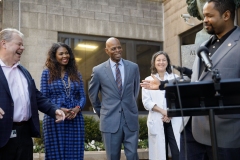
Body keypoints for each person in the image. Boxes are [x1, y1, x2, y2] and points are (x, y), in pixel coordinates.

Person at [141, 0, 240, 159]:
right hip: (192, 130)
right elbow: (197, 82)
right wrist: (163, 85)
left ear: (226, 15)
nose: (204, 20)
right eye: (204, 15)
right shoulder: (205, 46)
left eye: (209, 16)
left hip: (224, 133)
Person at [0, 28, 65, 160]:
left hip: (24, 134)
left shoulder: (23, 71)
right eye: (19, 44)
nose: (22, 48)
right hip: (2, 135)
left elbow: (36, 96)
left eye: (22, 45)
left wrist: (54, 110)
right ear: (3, 43)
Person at [88, 37, 140, 160]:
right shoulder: (98, 70)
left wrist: (131, 107)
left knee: (133, 156)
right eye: (113, 48)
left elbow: (135, 90)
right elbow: (93, 96)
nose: (117, 50)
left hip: (130, 119)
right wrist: (104, 113)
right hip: (109, 121)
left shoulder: (133, 67)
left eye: (119, 47)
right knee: (112, 157)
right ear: (107, 51)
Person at [40, 42, 86, 160]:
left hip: (74, 118)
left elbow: (82, 97)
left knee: (74, 154)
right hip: (55, 118)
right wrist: (58, 109)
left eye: (66, 53)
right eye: (61, 54)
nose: (64, 56)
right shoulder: (47, 74)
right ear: (54, 56)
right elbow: (44, 98)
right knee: (55, 154)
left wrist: (77, 108)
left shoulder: (76, 74)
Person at [142, 51, 182, 160]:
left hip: (174, 120)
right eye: (158, 60)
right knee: (159, 155)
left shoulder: (176, 78)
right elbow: (146, 102)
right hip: (157, 120)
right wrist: (163, 111)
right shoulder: (148, 80)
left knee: (177, 152)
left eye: (164, 60)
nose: (161, 62)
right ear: (154, 63)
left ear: (168, 62)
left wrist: (170, 113)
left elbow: (180, 99)